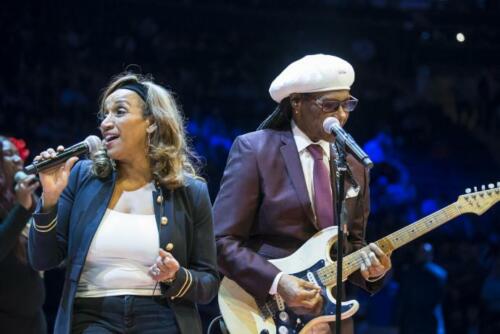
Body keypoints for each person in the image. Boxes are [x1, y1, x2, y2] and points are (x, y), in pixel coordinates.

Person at [28, 73, 219, 334]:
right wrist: (48, 200)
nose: (105, 123)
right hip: (91, 317)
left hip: (161, 316)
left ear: (151, 122)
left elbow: (208, 283)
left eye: (119, 112)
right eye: (104, 115)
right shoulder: (82, 177)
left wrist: (176, 276)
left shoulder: (190, 191)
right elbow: (42, 260)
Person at [213, 54, 392, 334]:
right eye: (330, 105)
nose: (341, 115)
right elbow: (221, 241)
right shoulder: (256, 150)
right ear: (296, 103)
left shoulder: (354, 164)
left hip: (331, 317)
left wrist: (372, 269)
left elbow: (351, 246)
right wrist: (279, 281)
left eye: (347, 104)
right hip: (267, 311)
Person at [0, 136, 45, 334]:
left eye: (18, 154)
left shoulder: (28, 199)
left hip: (34, 321)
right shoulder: (22, 204)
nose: (18, 160)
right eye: (9, 155)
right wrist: (22, 208)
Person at [396, 243, 447, 334]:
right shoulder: (409, 272)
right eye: (421, 252)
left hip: (429, 318)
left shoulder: (439, 274)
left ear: (431, 255)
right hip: (411, 318)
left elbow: (441, 296)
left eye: (425, 253)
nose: (423, 255)